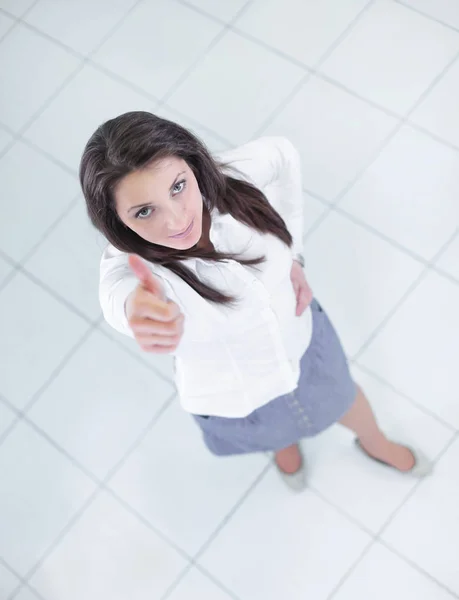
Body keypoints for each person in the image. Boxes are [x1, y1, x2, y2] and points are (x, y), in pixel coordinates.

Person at [80, 111, 431, 491]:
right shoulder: (131, 268)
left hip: (302, 343)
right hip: (236, 394)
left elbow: (282, 155)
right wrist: (136, 310)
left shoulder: (233, 180)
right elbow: (118, 294)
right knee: (275, 432)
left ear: (192, 166)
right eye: (144, 211)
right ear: (117, 221)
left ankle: (375, 442)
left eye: (178, 187)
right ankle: (284, 445)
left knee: (345, 399)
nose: (176, 220)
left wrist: (294, 255)